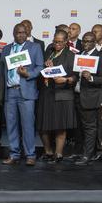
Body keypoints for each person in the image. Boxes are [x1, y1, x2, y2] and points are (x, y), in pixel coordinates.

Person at [1, 24, 43, 166]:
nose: (21, 35)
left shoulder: (34, 47)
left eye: (23, 33)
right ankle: (14, 154)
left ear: (27, 33)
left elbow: (40, 67)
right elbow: (2, 72)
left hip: (26, 91)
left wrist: (28, 74)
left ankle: (30, 155)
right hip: (10, 91)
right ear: (13, 33)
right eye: (18, 32)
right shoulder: (6, 49)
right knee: (11, 126)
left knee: (28, 126)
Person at [38, 30, 78, 162]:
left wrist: (66, 80)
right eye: (55, 41)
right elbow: (42, 72)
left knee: (60, 127)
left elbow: (75, 77)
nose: (57, 44)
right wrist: (46, 66)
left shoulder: (71, 55)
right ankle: (48, 151)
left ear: (66, 42)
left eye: (60, 42)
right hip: (47, 93)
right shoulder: (48, 53)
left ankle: (58, 154)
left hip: (62, 94)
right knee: (43, 126)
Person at [73, 32, 102, 165]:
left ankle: (87, 155)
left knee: (90, 128)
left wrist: (91, 78)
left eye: (89, 41)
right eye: (84, 41)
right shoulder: (78, 56)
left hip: (91, 99)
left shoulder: (101, 58)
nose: (85, 44)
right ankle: (80, 152)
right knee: (80, 128)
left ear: (94, 43)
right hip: (77, 96)